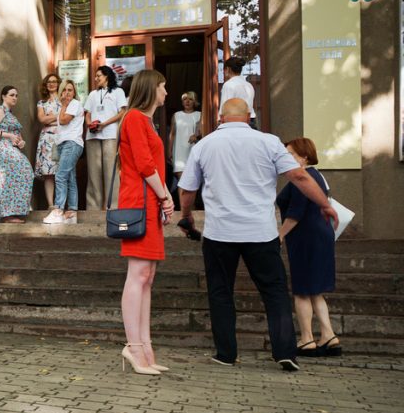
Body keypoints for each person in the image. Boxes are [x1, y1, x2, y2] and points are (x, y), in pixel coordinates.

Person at [177, 98, 337, 372]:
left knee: (220, 292)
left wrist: (187, 215)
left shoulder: (205, 145)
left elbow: (188, 189)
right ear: (250, 116)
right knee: (274, 291)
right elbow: (299, 177)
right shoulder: (269, 142)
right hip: (260, 233)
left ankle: (226, 354)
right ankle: (286, 351)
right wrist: (324, 204)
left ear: (221, 117)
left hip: (220, 233)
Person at [115, 70, 174, 375]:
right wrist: (165, 196)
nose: (166, 91)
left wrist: (162, 198)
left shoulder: (142, 120)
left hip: (147, 203)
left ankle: (144, 348)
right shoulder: (136, 118)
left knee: (146, 276)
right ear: (152, 88)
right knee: (139, 274)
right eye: (163, 86)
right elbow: (144, 163)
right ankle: (134, 348)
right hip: (140, 205)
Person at [276, 137, 340, 357]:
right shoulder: (317, 176)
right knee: (315, 291)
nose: (286, 158)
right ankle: (328, 335)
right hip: (321, 236)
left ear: (304, 156)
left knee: (302, 291)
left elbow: (295, 213)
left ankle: (306, 339)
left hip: (305, 238)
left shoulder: (302, 177)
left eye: (290, 154)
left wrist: (280, 236)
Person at [0, 86, 34, 223]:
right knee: (6, 179)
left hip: (11, 149)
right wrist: (9, 136)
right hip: (2, 148)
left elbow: (17, 136)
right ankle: (7, 215)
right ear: (3, 96)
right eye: (12, 95)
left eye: (16, 95)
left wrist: (20, 142)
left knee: (26, 171)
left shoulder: (11, 114)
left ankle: (16, 211)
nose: (15, 97)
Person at [84, 66, 127, 209]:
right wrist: (90, 125)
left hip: (110, 135)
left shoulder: (118, 91)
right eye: (95, 76)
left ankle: (112, 206)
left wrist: (104, 124)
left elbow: (122, 112)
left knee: (111, 171)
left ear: (107, 76)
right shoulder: (92, 94)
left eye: (99, 76)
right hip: (93, 136)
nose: (96, 79)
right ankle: (93, 208)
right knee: (93, 173)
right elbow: (87, 113)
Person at [43, 80, 84, 224]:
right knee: (70, 178)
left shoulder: (74, 104)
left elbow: (65, 120)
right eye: (64, 90)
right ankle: (71, 213)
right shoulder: (63, 106)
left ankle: (58, 210)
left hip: (72, 144)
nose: (67, 93)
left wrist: (64, 105)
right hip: (64, 144)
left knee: (60, 175)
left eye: (70, 90)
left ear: (74, 93)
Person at [34, 74, 62, 208]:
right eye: (48, 82)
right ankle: (51, 204)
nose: (51, 84)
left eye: (54, 81)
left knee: (61, 171)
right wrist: (58, 116)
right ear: (45, 85)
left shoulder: (64, 101)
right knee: (49, 173)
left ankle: (61, 203)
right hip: (47, 140)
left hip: (62, 138)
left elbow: (66, 118)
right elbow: (42, 119)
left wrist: (51, 117)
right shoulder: (41, 103)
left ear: (58, 83)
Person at [169, 91, 201, 185]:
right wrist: (169, 150)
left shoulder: (199, 114)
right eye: (185, 99)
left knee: (192, 180)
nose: (187, 101)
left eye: (190, 99)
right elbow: (172, 134)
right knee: (182, 180)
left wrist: (196, 136)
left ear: (195, 102)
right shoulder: (176, 115)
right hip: (179, 152)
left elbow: (201, 131)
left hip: (193, 150)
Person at [220, 56, 256, 129]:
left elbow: (225, 106)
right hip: (250, 120)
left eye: (224, 69)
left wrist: (220, 121)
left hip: (235, 122)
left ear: (228, 69)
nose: (223, 72)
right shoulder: (249, 85)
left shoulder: (229, 84)